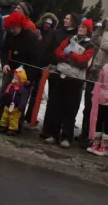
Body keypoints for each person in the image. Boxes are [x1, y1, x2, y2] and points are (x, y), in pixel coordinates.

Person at [0, 10, 42, 131]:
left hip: (25, 72)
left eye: (14, 28)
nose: (12, 30)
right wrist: (5, 63)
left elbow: (36, 60)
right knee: (4, 94)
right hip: (12, 68)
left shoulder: (31, 38)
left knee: (19, 100)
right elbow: (4, 49)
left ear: (20, 25)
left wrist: (29, 77)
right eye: (10, 28)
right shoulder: (10, 34)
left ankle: (15, 126)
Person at [49, 18, 95, 148]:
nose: (80, 28)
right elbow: (58, 51)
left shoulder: (90, 45)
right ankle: (54, 134)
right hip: (62, 75)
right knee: (57, 106)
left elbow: (84, 62)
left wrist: (70, 54)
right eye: (80, 26)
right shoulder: (70, 39)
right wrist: (67, 55)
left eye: (83, 27)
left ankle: (66, 137)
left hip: (75, 80)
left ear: (88, 30)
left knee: (70, 109)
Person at [41, 12, 78, 143]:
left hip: (70, 73)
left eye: (68, 18)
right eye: (65, 18)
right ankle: (48, 129)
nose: (65, 20)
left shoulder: (76, 37)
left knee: (66, 104)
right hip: (55, 69)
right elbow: (47, 49)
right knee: (53, 101)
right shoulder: (56, 33)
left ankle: (62, 133)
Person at [0, 66, 32, 136]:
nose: (13, 79)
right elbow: (5, 94)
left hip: (16, 107)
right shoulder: (11, 86)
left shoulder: (23, 90)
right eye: (14, 77)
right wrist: (0, 100)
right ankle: (4, 126)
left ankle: (12, 129)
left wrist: (21, 106)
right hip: (8, 105)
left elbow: (23, 99)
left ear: (21, 80)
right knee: (5, 116)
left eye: (16, 78)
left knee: (14, 118)